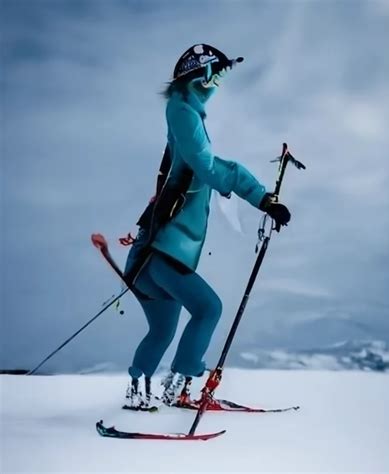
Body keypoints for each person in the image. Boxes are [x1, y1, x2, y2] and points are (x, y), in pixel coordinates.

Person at [123, 44, 291, 410]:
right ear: (200, 77)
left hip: (150, 254)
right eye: (217, 75)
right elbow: (210, 167)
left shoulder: (183, 115)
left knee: (163, 329)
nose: (219, 84)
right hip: (164, 249)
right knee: (208, 309)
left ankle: (138, 391)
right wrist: (263, 198)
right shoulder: (184, 113)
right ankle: (178, 387)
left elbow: (188, 171)